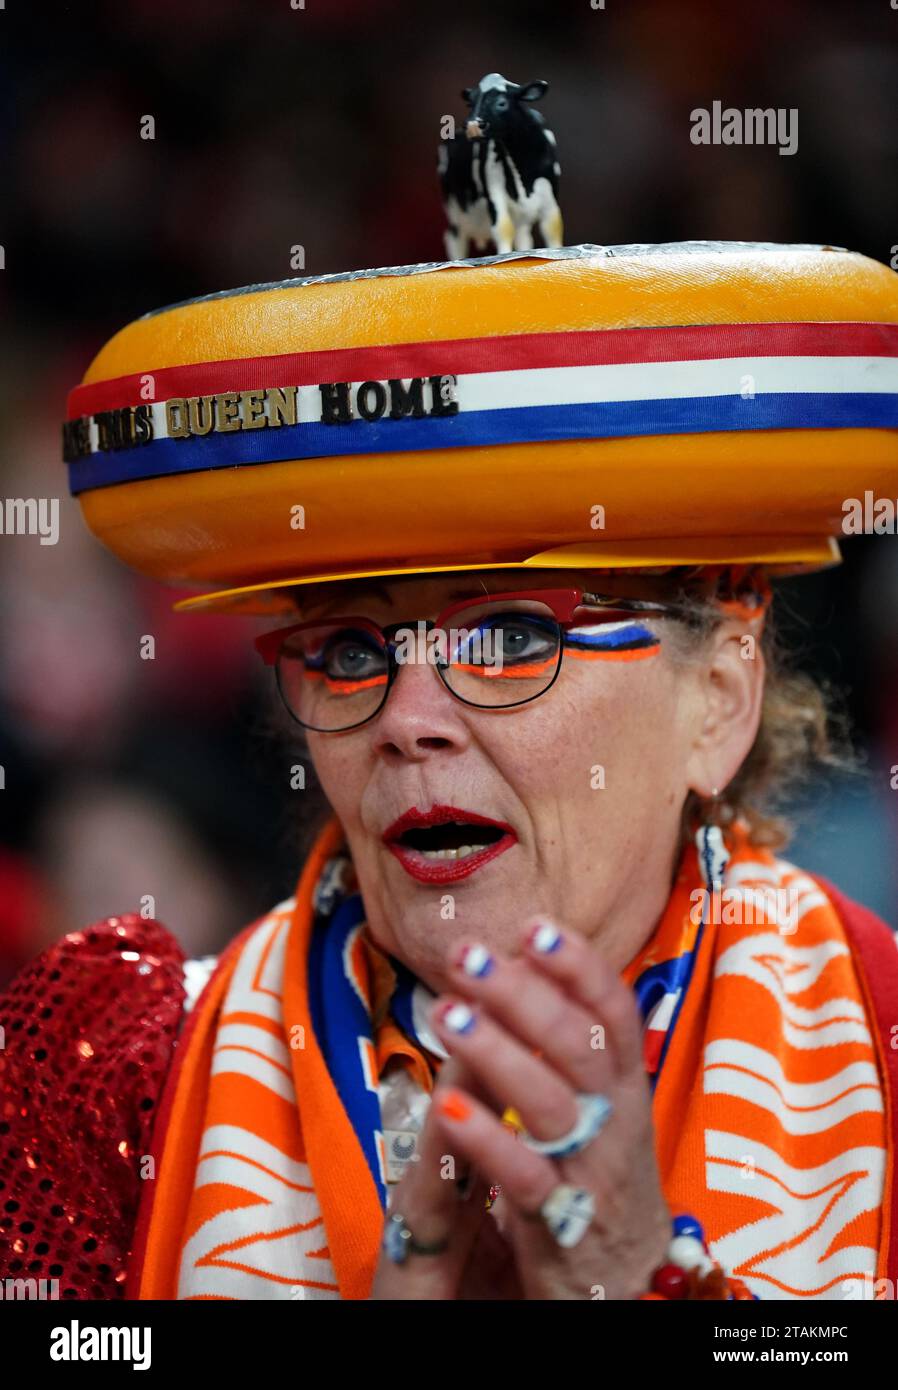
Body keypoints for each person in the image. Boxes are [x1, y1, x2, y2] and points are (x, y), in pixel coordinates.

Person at [2, 241, 898, 1301]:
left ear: (718, 703)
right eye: (346, 651)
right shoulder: (107, 1080)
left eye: (512, 635)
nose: (405, 720)